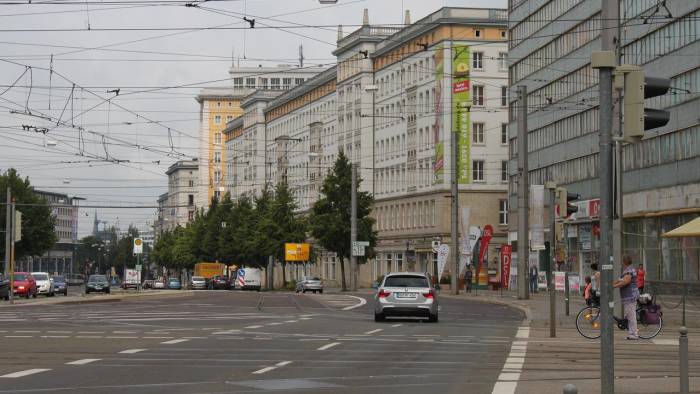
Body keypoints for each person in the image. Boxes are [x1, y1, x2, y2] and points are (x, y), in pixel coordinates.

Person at [613, 255, 640, 340]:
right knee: (629, 315)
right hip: (628, 296)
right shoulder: (628, 270)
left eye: (622, 260)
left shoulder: (629, 270)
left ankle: (634, 334)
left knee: (631, 316)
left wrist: (614, 286)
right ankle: (631, 332)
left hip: (630, 296)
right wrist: (614, 283)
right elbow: (621, 279)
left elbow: (625, 282)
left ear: (624, 261)